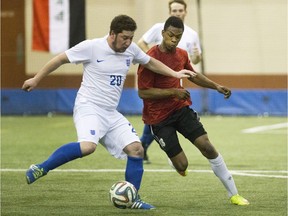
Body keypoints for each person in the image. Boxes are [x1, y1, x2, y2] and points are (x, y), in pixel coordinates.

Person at [22, 14, 194, 210]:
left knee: (136, 149)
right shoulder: (92, 47)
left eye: (131, 38)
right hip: (89, 107)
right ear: (112, 34)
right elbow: (60, 59)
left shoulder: (130, 49)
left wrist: (175, 73)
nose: (128, 42)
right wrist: (36, 79)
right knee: (88, 147)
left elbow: (150, 62)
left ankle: (132, 198)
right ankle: (41, 168)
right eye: (124, 38)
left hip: (110, 112)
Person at [137, 16, 249, 206]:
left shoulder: (181, 54)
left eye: (178, 37)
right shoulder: (150, 58)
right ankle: (173, 159)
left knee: (207, 146)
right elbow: (143, 92)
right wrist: (173, 91)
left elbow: (193, 75)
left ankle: (234, 194)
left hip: (180, 109)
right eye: (171, 36)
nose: (174, 40)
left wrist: (217, 86)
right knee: (182, 165)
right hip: (157, 118)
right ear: (163, 33)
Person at [138, 0, 202, 163]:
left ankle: (166, 149)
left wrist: (196, 56)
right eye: (174, 11)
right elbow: (141, 43)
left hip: (177, 82)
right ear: (169, 12)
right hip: (158, 81)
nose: (177, 13)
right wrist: (154, 64)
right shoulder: (159, 28)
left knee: (172, 114)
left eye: (180, 10)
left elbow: (194, 60)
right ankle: (144, 146)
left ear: (185, 12)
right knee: (158, 114)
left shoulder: (192, 34)